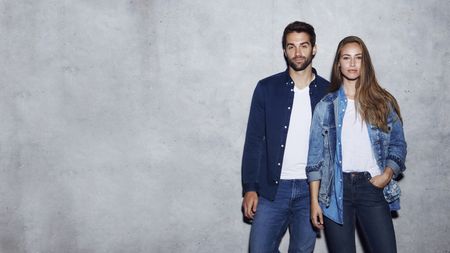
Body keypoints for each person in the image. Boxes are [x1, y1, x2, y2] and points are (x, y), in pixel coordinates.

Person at [306, 36, 407, 253]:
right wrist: (315, 201)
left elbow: (398, 144)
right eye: (346, 58)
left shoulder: (383, 103)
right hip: (336, 190)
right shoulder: (325, 107)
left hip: (372, 186)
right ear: (338, 64)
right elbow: (315, 160)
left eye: (358, 58)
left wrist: (387, 175)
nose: (352, 64)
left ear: (365, 63)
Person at [241, 21, 330, 253]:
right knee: (259, 249)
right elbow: (254, 141)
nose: (298, 53)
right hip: (273, 189)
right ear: (284, 51)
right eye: (291, 47)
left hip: (311, 190)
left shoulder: (329, 93)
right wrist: (250, 187)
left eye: (303, 46)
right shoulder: (266, 88)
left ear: (314, 48)